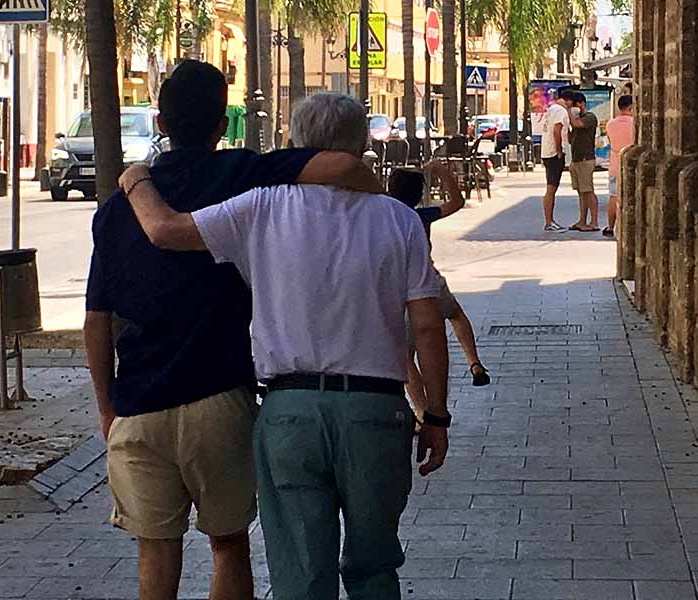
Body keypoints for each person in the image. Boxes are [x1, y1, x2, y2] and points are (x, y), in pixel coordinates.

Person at [117, 92, 452, 600]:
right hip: (375, 412)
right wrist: (435, 414)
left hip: (289, 410)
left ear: (296, 143)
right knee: (375, 564)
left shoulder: (262, 208)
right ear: (360, 144)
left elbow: (165, 232)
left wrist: (137, 181)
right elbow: (427, 327)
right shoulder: (399, 220)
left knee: (299, 573)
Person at [83, 61, 380, 600]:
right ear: (224, 124)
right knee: (228, 543)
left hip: (137, 405)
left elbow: (97, 320)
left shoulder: (115, 210)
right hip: (220, 395)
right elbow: (344, 165)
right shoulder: (242, 174)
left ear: (160, 120)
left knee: (155, 550)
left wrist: (108, 409)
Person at [387, 164, 490, 422]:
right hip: (431, 280)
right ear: (420, 194)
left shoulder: (386, 216)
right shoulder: (422, 215)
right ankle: (474, 362)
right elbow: (457, 202)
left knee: (405, 356)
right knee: (455, 314)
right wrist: (442, 172)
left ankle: (422, 411)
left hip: (402, 289)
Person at [568, 91, 601, 232]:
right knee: (581, 192)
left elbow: (577, 124)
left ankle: (594, 222)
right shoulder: (575, 120)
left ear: (581, 104)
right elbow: (571, 138)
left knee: (588, 191)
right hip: (576, 159)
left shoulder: (589, 117)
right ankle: (582, 220)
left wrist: (568, 112)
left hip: (585, 159)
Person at [540, 89, 572, 232]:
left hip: (546, 152)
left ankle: (549, 220)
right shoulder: (561, 111)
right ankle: (549, 221)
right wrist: (559, 150)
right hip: (553, 153)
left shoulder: (551, 109)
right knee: (551, 188)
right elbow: (557, 131)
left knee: (551, 187)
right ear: (568, 101)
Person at [605, 94, 635, 237]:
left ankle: (610, 227)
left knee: (613, 196)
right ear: (631, 108)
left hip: (615, 165)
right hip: (631, 164)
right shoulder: (634, 123)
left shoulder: (610, 124)